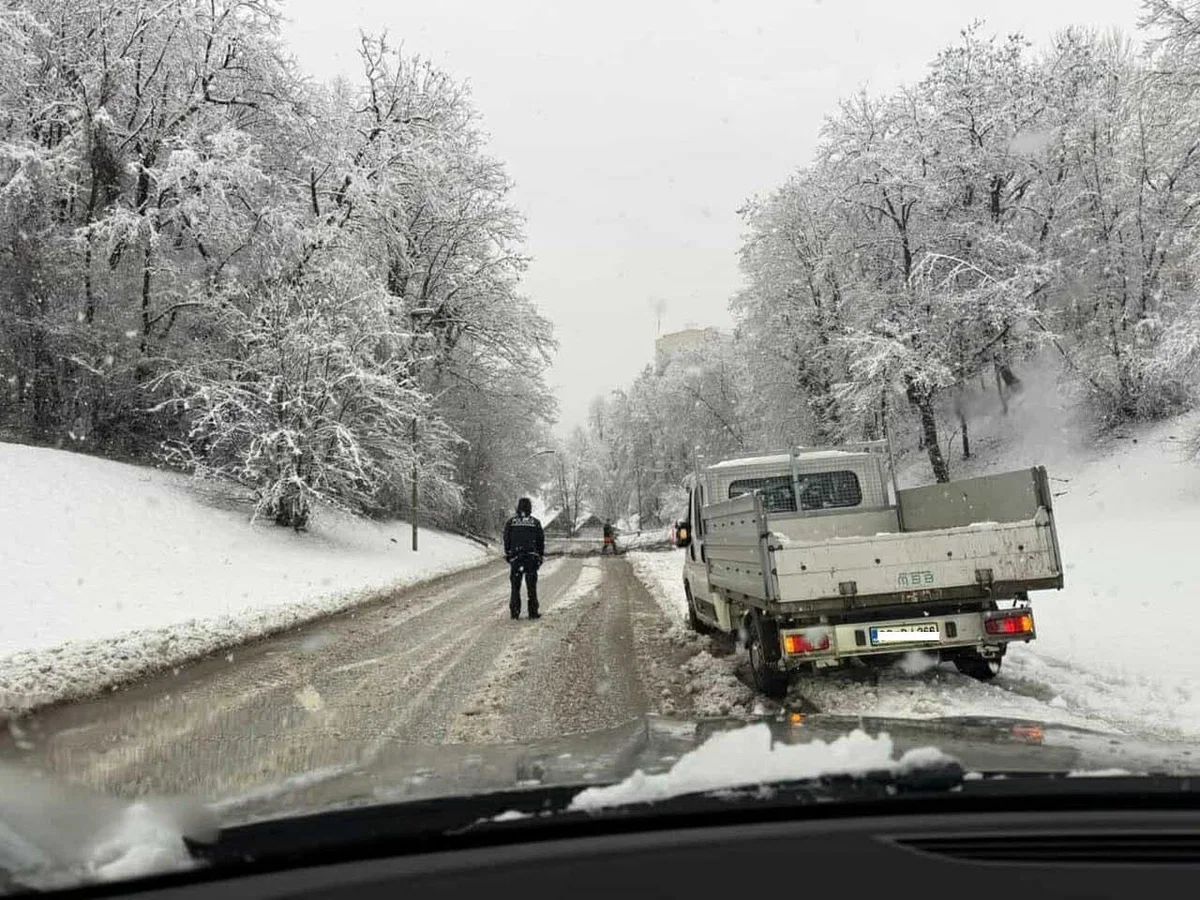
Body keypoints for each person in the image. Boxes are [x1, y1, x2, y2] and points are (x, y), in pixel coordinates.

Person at [503, 497, 545, 620]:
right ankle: (533, 612)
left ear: (518, 507)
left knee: (515, 587)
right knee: (532, 587)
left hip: (516, 557)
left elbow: (506, 539)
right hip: (531, 557)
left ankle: (515, 611)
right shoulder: (535, 523)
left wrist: (509, 554)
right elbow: (540, 540)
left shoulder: (511, 522)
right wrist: (540, 555)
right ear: (529, 508)